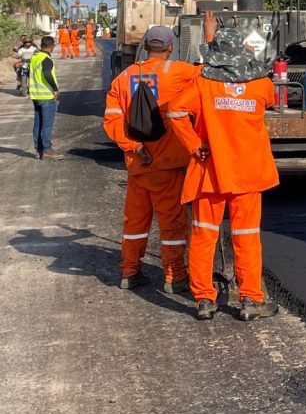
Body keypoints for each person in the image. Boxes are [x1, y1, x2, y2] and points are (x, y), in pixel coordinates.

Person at [167, 28, 280, 321]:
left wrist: (195, 145)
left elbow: (176, 112)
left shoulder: (202, 83)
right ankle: (251, 298)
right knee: (246, 236)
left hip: (210, 173)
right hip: (248, 172)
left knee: (204, 235)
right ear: (243, 51)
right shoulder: (261, 84)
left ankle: (204, 298)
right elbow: (270, 101)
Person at [103, 25, 199, 292]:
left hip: (137, 165)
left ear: (144, 46)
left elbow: (112, 121)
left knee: (134, 221)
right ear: (170, 48)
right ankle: (174, 276)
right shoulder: (179, 72)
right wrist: (211, 38)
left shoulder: (123, 78)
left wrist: (133, 147)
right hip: (167, 164)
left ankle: (130, 272)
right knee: (172, 223)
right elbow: (210, 75)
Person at [28, 36, 63, 160]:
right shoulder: (46, 59)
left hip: (35, 95)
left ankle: (39, 150)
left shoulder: (35, 57)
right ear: (52, 46)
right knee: (47, 124)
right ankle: (47, 150)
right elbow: (47, 73)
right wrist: (55, 88)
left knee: (38, 123)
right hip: (46, 96)